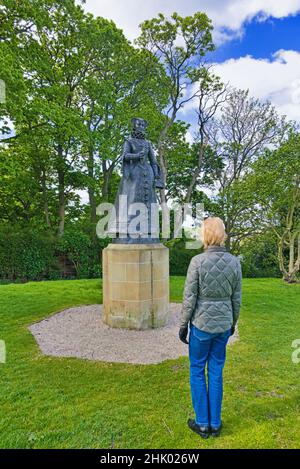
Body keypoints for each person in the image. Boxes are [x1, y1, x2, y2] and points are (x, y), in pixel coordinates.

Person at [179, 217, 242, 439]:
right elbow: (236, 297)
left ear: (205, 235)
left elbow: (189, 298)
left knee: (197, 369)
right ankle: (215, 424)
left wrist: (183, 324)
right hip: (223, 326)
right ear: (222, 235)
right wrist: (233, 321)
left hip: (201, 325)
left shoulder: (197, 262)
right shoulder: (234, 262)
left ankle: (202, 423)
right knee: (216, 371)